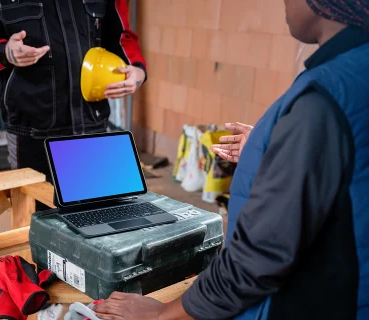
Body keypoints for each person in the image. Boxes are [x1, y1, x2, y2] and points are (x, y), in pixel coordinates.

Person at [92, 0, 369, 319]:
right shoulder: (354, 71)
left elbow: (257, 258)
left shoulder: (321, 100)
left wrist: (161, 314)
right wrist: (275, 147)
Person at [0, 0, 147, 209]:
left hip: (92, 126)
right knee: (39, 225)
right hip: (33, 133)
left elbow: (121, 37)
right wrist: (6, 51)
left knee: (103, 220)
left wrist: (136, 70)